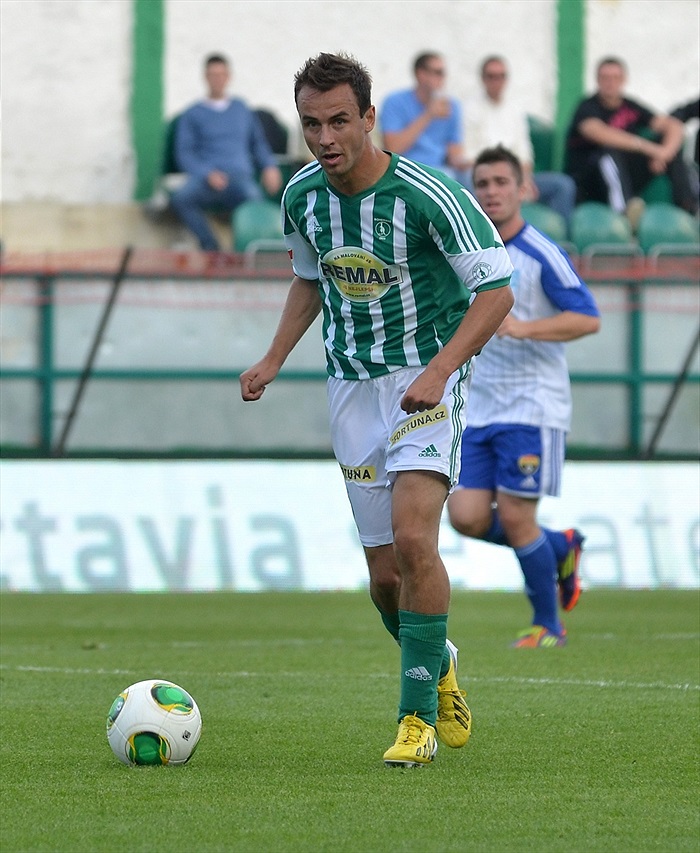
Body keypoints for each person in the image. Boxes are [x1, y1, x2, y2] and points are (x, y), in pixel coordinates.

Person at [240, 53, 514, 766]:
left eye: (339, 120)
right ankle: (439, 657)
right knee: (386, 579)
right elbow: (310, 278)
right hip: (351, 388)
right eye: (310, 124)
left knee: (417, 541)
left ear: (368, 118)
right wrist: (273, 357)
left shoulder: (430, 196)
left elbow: (496, 293)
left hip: (426, 380)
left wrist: (440, 369)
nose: (325, 137)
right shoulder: (302, 196)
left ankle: (415, 721)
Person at [447, 145, 601, 648]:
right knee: (466, 517)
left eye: (500, 182)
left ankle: (548, 625)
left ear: (523, 189)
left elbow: (587, 316)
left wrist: (526, 328)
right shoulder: (467, 253)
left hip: (533, 405)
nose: (491, 191)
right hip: (479, 408)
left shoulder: (541, 252)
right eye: (483, 183)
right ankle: (559, 546)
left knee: (516, 517)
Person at [170, 54, 283, 251]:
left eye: (221, 74)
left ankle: (245, 251)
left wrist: (269, 166)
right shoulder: (192, 114)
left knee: (255, 200)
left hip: (240, 178)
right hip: (207, 181)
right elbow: (185, 153)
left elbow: (258, 144)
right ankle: (211, 247)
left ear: (228, 77)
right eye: (213, 75)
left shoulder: (241, 109)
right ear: (205, 77)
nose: (217, 79)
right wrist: (206, 173)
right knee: (182, 199)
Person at [564, 57, 698, 220]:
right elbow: (601, 134)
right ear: (597, 80)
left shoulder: (630, 106)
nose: (610, 83)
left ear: (624, 80)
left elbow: (673, 125)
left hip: (625, 177)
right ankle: (624, 214)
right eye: (605, 78)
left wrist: (665, 153)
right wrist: (652, 149)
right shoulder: (586, 107)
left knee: (671, 149)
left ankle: (689, 209)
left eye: (615, 78)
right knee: (607, 155)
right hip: (590, 183)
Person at [463, 56, 577, 229]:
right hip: (487, 178)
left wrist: (523, 178)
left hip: (516, 175)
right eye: (491, 76)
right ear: (483, 78)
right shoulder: (469, 109)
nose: (496, 81)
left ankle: (562, 249)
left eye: (501, 76)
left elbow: (525, 153)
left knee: (563, 185)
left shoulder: (514, 109)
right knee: (470, 184)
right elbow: (468, 156)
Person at [380, 52, 470, 183]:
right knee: (446, 178)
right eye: (438, 72)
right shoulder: (394, 102)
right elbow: (392, 148)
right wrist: (428, 115)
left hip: (442, 170)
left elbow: (454, 153)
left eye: (443, 73)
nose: (442, 78)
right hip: (405, 170)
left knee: (473, 176)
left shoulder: (451, 105)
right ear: (421, 74)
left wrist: (467, 162)